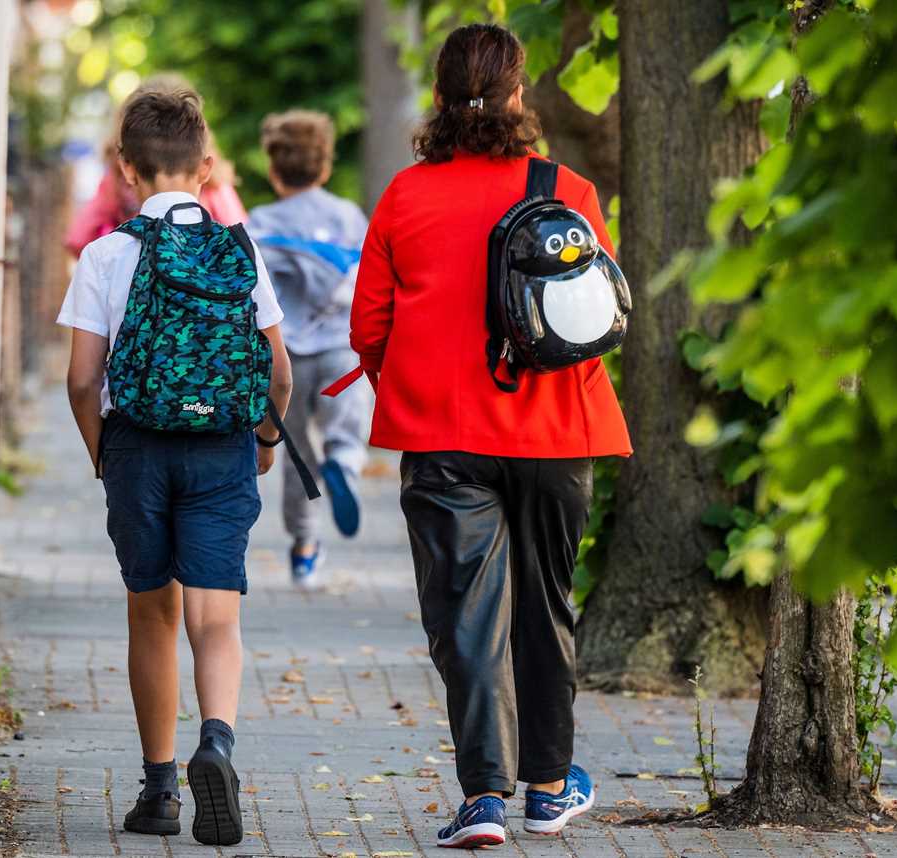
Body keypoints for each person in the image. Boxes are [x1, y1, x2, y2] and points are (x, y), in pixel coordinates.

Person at [346, 23, 631, 849]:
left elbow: (371, 324)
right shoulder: (568, 189)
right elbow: (599, 315)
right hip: (556, 429)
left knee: (467, 617)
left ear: (438, 97)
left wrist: (412, 384)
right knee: (546, 607)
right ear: (518, 95)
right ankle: (548, 785)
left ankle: (484, 800)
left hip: (445, 438)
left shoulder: (405, 195)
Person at [59, 88, 292, 847]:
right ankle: (216, 743)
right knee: (215, 618)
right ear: (208, 167)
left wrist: (105, 457)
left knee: (151, 613)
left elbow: (81, 380)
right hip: (222, 447)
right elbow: (277, 370)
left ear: (125, 168)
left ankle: (159, 792)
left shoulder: (105, 253)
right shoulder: (239, 250)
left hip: (138, 450)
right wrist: (262, 443)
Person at [248, 110, 371, 590]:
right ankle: (344, 462)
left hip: (287, 358)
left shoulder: (260, 223)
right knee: (348, 424)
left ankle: (304, 548)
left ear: (274, 169)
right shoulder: (346, 216)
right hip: (341, 349)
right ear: (324, 167)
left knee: (296, 451)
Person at [65, 74, 248, 256]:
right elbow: (243, 240)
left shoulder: (120, 177)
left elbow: (78, 238)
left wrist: (111, 258)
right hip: (201, 277)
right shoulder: (212, 179)